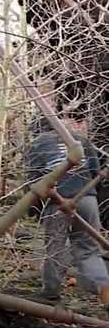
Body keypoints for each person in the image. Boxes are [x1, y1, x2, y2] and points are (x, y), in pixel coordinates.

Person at [25, 115, 109, 307]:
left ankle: (51, 293)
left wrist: (34, 209)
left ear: (37, 130)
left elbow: (33, 180)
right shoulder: (80, 139)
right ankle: (105, 291)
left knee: (56, 248)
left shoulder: (38, 144)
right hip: (88, 198)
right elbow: (97, 170)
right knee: (88, 250)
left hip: (58, 201)